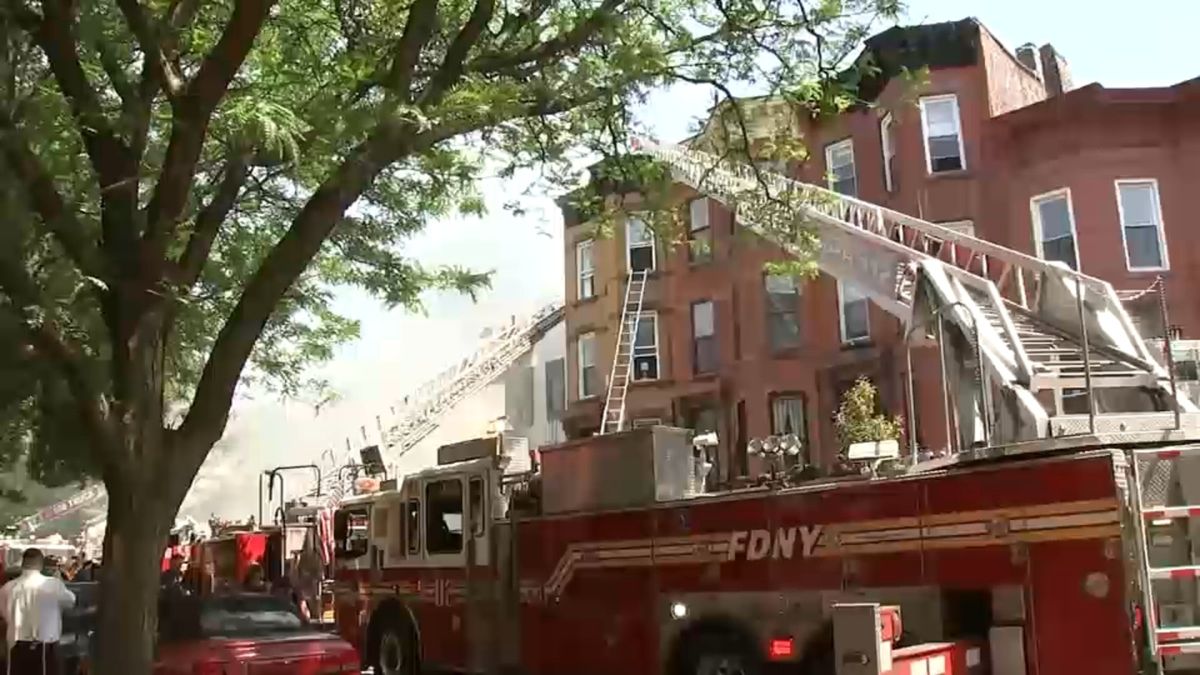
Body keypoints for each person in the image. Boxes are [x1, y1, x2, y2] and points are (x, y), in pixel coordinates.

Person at [0, 548, 76, 675]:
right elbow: (70, 602)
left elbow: (4, 613)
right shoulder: (54, 585)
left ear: (23, 564)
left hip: (16, 643)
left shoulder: (7, 588)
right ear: (41, 564)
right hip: (46, 642)